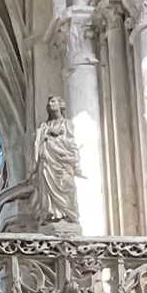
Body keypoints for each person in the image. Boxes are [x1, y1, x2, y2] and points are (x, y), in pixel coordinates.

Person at [32, 96, 83, 234]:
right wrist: (47, 134)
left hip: (62, 163)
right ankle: (51, 215)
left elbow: (70, 143)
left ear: (61, 105)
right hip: (47, 164)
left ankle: (68, 216)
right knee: (47, 190)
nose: (50, 104)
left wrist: (58, 140)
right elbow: (38, 141)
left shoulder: (67, 124)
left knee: (67, 186)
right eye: (49, 102)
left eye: (53, 101)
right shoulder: (45, 126)